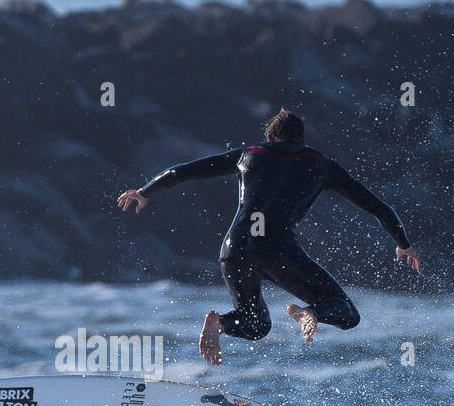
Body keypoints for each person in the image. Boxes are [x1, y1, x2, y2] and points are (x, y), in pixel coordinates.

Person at [117, 109, 421, 365]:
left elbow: (182, 171)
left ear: (270, 138)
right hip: (278, 249)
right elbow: (379, 208)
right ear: (302, 140)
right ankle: (308, 311)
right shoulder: (322, 165)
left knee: (255, 324)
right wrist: (402, 243)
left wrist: (144, 192)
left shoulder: (248, 155)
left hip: (234, 249)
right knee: (345, 311)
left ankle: (219, 323)